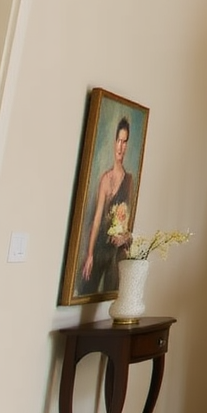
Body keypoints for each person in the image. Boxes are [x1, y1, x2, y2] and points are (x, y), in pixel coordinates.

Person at [78, 117, 133, 295]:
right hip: (100, 246)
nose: (121, 147)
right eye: (119, 141)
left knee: (111, 291)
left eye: (124, 142)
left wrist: (124, 238)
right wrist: (90, 254)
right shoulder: (106, 179)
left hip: (115, 254)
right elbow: (96, 221)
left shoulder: (129, 181)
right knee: (86, 287)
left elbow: (128, 225)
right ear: (114, 142)